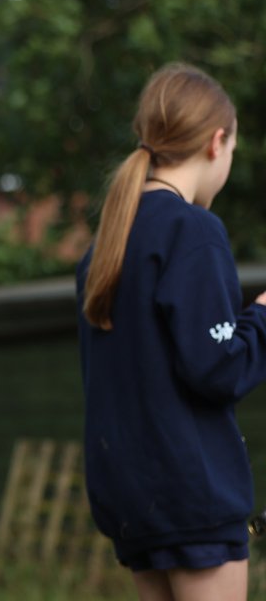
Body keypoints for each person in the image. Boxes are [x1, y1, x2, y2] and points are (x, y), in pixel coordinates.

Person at [77, 63, 266, 601]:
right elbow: (218, 369)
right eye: (233, 149)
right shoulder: (193, 230)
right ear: (216, 142)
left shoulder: (106, 245)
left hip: (133, 502)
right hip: (192, 498)